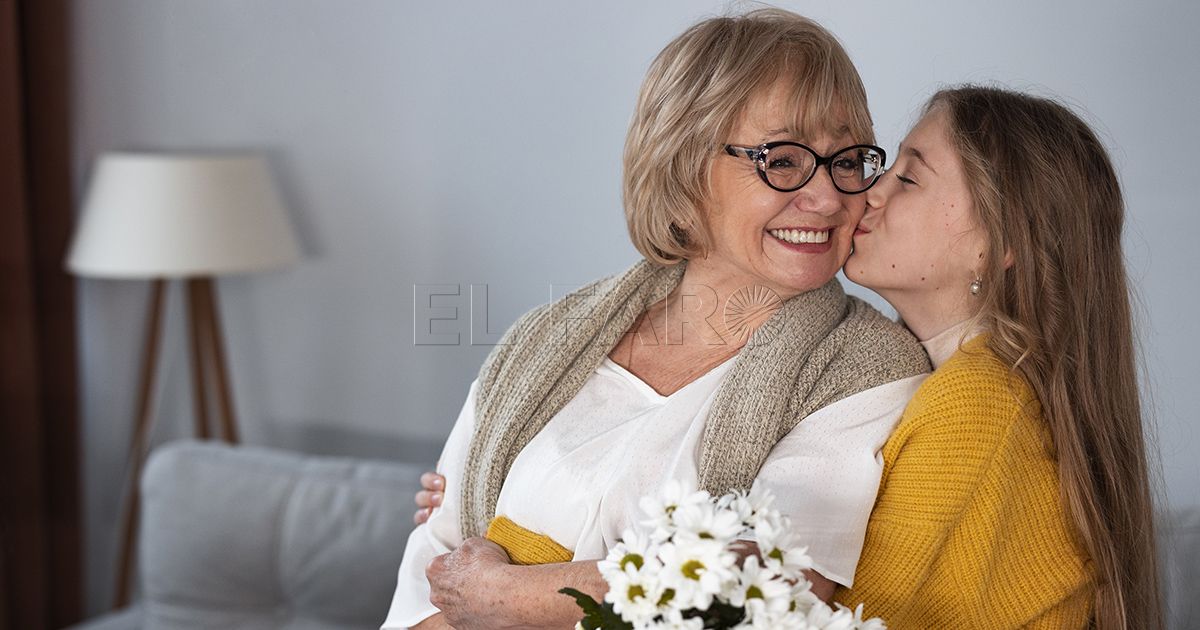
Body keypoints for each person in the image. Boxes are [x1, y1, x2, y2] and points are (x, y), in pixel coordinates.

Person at [413, 88, 1166, 628]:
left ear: (1002, 244)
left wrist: (516, 566)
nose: (859, 197)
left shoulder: (975, 403)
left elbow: (798, 613)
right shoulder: (956, 385)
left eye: (906, 177)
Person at [382, 8, 932, 630]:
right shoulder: (541, 339)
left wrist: (508, 596)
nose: (831, 197)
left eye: (849, 160)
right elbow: (432, 572)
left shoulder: (866, 369)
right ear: (683, 164)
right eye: (782, 160)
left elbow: (766, 581)